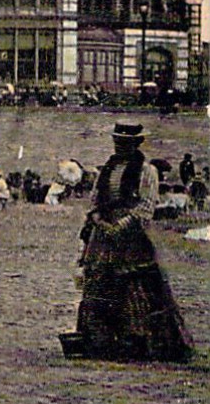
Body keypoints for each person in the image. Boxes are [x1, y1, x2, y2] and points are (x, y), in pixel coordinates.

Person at [73, 123, 195, 362]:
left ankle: (134, 340)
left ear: (136, 144)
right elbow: (95, 200)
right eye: (118, 142)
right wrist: (99, 221)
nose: (121, 147)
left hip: (131, 234)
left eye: (126, 143)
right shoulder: (106, 170)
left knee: (133, 285)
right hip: (103, 233)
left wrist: (120, 226)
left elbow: (146, 205)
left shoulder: (147, 171)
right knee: (99, 280)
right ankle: (99, 339)